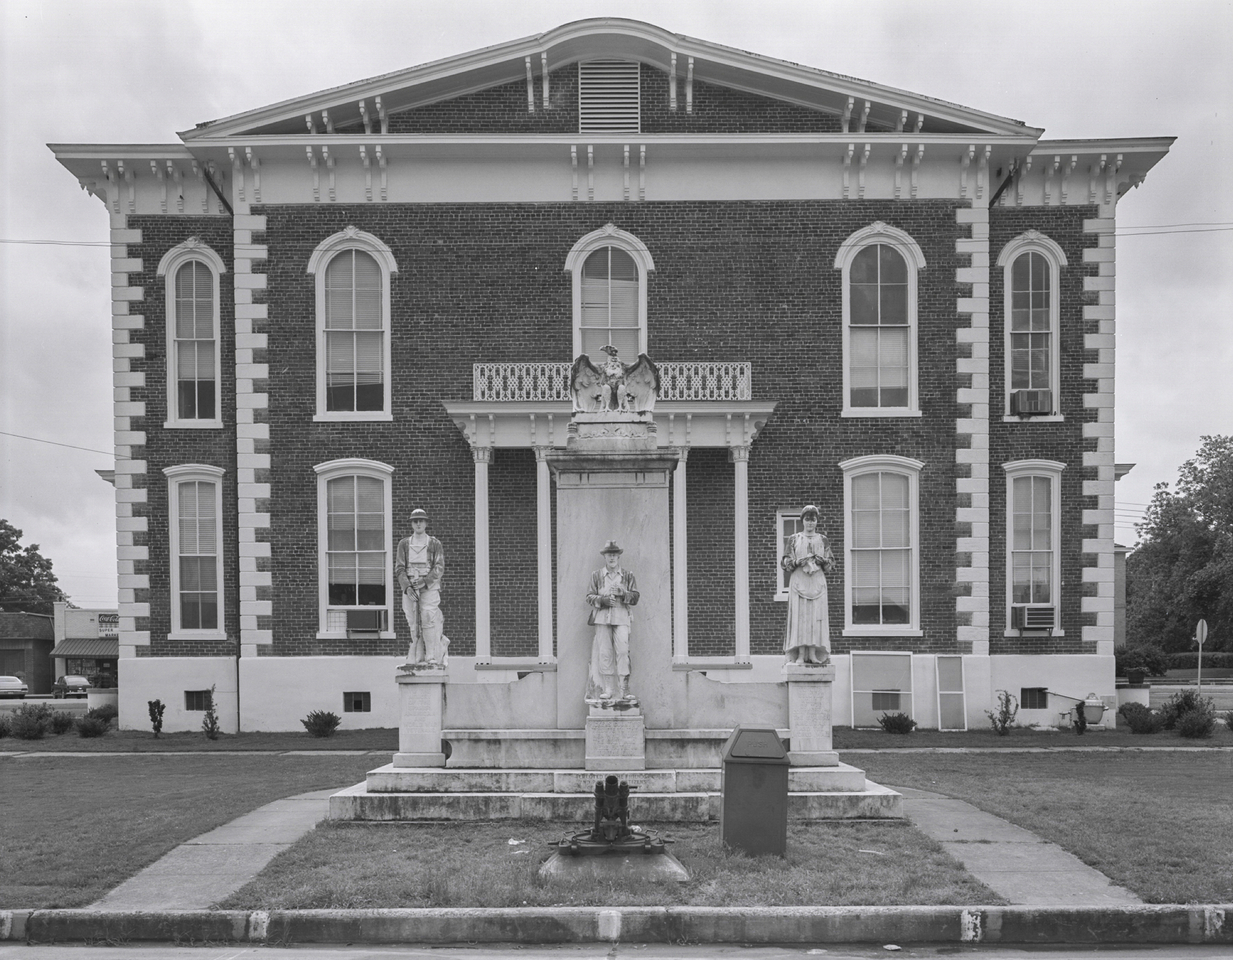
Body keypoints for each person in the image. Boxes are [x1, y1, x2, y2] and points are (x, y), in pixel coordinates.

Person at [586, 540, 640, 703]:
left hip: (622, 617)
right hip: (602, 619)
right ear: (604, 557)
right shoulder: (596, 575)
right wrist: (602, 600)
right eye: (609, 555)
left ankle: (624, 689)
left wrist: (623, 593)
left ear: (618, 556)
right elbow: (589, 596)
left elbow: (636, 597)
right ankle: (608, 688)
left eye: (614, 554)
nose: (612, 558)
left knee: (623, 651)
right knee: (605, 653)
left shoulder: (628, 575)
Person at [782, 504, 835, 665]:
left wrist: (823, 561)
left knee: (815, 618)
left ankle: (813, 653)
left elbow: (831, 564)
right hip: (799, 582)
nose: (810, 523)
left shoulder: (823, 540)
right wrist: (797, 561)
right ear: (802, 521)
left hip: (817, 583)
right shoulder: (794, 539)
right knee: (800, 617)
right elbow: (785, 562)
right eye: (807, 520)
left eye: (813, 520)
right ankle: (800, 654)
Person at [395, 508, 446, 664]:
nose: (418, 524)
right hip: (411, 588)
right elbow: (399, 568)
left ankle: (431, 655)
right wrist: (408, 587)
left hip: (429, 588)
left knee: (428, 618)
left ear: (426, 523)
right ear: (411, 523)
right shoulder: (403, 544)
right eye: (415, 521)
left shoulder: (434, 543)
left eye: (421, 521)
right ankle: (418, 654)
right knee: (412, 620)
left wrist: (425, 582)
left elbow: (439, 567)